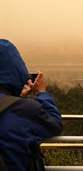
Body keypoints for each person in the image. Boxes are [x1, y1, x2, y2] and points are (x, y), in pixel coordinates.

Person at [0, 39, 63, 171]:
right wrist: (42, 93)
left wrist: (17, 99)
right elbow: (54, 124)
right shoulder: (25, 110)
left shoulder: (21, 108)